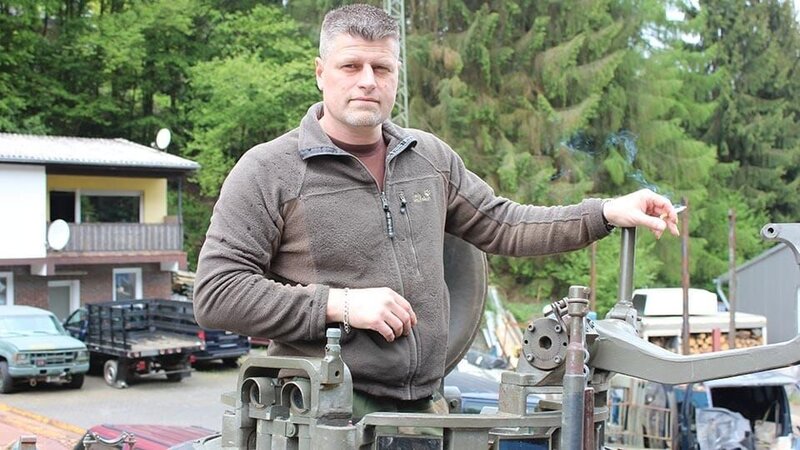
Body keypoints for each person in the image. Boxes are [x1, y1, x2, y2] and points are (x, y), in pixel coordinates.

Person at [193, 3, 679, 419]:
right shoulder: (270, 170)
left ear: (396, 74)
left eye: (382, 68)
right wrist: (339, 305)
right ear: (320, 72)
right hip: (322, 412)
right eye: (351, 66)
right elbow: (217, 293)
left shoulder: (428, 158)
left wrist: (606, 212)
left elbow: (505, 225)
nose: (367, 81)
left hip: (426, 408)